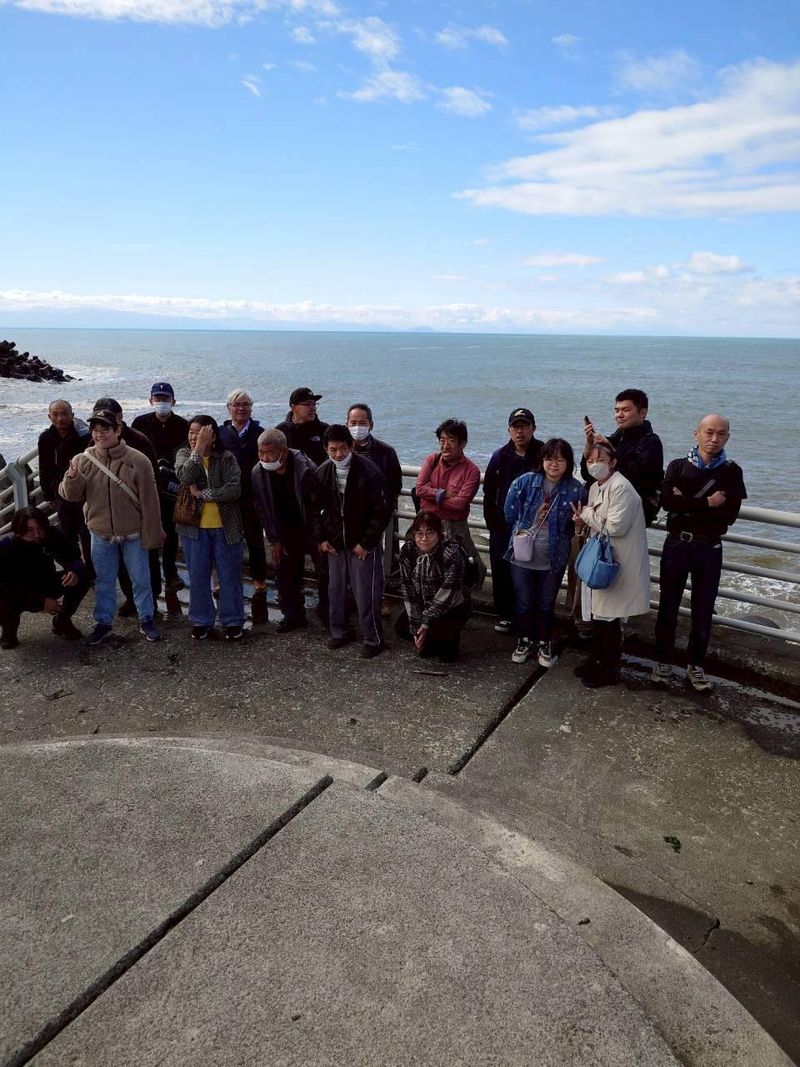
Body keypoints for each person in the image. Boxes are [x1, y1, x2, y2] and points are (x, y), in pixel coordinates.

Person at [652, 414, 747, 693]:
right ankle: (663, 661)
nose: (714, 439)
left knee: (703, 610)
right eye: (708, 432)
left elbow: (728, 516)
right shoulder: (678, 466)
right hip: (677, 544)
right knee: (667, 606)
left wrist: (685, 502)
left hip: (709, 547)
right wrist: (708, 502)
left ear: (728, 436)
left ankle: (695, 664)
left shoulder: (732, 472)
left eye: (721, 433)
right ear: (697, 434)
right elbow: (667, 502)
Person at [59, 410, 164, 645]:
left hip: (134, 532)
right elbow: (70, 496)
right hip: (100, 533)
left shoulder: (138, 460)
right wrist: (72, 477)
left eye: (105, 429)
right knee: (103, 581)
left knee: (141, 579)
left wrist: (153, 534)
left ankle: (147, 618)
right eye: (95, 430)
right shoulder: (83, 460)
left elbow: (150, 501)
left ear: (118, 430)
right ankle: (104, 623)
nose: (99, 434)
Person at [571, 442, 651, 688]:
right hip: (602, 557)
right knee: (599, 614)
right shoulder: (596, 486)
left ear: (613, 462)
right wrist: (582, 520)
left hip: (617, 561)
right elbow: (596, 520)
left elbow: (616, 527)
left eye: (600, 459)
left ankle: (609, 668)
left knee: (610, 617)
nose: (594, 464)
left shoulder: (622, 488)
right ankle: (597, 659)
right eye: (590, 460)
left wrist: (586, 514)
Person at [503, 439, 586, 668]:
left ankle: (543, 642)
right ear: (542, 460)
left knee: (546, 603)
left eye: (560, 459)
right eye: (549, 458)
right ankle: (524, 640)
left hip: (554, 556)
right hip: (522, 554)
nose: (554, 464)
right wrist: (533, 518)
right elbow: (509, 515)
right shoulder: (524, 482)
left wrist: (578, 525)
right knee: (524, 601)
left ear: (568, 463)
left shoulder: (576, 489)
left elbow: (577, 527)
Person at [312, 424, 390, 658]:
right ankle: (340, 632)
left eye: (343, 449)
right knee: (334, 591)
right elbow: (314, 509)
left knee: (366, 593)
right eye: (333, 449)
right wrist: (321, 539)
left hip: (362, 544)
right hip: (335, 543)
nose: (338, 454)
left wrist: (367, 543)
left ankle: (373, 639)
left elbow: (381, 511)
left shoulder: (369, 470)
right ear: (325, 449)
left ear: (351, 446)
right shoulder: (322, 472)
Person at [175, 415, 246, 641]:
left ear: (213, 436)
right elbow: (185, 476)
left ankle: (233, 620)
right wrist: (198, 450)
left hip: (226, 527)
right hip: (194, 529)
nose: (194, 436)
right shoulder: (184, 454)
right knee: (197, 576)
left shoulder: (226, 457)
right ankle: (201, 620)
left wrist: (204, 494)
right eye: (191, 432)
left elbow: (234, 489)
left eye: (200, 433)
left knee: (229, 576)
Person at [92, 396, 161, 615]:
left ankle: (151, 603)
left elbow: (153, 482)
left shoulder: (138, 441)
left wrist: (154, 522)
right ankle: (130, 599)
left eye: (108, 420)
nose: (101, 430)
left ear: (120, 419)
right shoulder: (93, 444)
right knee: (119, 565)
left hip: (136, 517)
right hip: (106, 518)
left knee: (145, 563)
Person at [251, 428, 319, 633]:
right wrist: (274, 540)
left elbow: (318, 504)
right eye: (261, 452)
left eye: (269, 453)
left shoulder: (306, 468)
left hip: (310, 528)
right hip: (283, 530)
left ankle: (330, 615)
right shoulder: (258, 472)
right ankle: (293, 616)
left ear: (284, 451)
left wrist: (319, 536)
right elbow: (262, 509)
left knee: (325, 574)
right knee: (284, 576)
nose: (264, 458)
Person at [483, 407, 544, 634]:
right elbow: (489, 492)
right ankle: (505, 615)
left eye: (525, 426)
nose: (520, 431)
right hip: (503, 525)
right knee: (501, 570)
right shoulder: (500, 456)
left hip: (534, 525)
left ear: (533, 428)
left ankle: (530, 616)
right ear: (509, 430)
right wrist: (493, 523)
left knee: (532, 570)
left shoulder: (543, 453)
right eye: (515, 427)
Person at [0, 506, 91, 649]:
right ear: (19, 530)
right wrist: (40, 602)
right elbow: (4, 586)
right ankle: (8, 631)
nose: (37, 534)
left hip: (44, 581)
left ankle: (62, 620)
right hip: (17, 590)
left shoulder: (52, 535)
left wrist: (74, 572)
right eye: (30, 530)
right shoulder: (6, 546)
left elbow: (72, 557)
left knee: (84, 575)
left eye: (40, 529)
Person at [131, 382, 189, 593]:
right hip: (147, 484)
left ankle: (171, 573)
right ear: (150, 400)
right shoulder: (140, 422)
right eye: (158, 398)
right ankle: (151, 573)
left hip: (173, 486)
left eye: (165, 399)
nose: (161, 402)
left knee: (171, 531)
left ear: (173, 401)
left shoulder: (183, 425)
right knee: (148, 529)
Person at [414, 418, 486, 590]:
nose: (445, 446)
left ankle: (459, 599)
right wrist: (443, 494)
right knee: (422, 566)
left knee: (472, 569)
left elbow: (460, 504)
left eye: (451, 441)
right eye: (442, 440)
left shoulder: (472, 471)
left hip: (454, 527)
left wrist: (431, 497)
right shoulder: (432, 460)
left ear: (463, 444)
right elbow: (419, 489)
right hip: (427, 523)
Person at [346, 402, 403, 603]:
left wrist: (382, 509)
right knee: (346, 560)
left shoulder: (385, 452)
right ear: (346, 424)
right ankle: (351, 598)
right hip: (346, 516)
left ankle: (375, 600)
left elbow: (395, 485)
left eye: (362, 423)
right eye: (353, 422)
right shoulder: (340, 450)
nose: (357, 427)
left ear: (371, 424)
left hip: (373, 518)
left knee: (372, 559)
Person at [581, 389, 663, 525]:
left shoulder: (651, 443)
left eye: (626, 410)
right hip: (603, 510)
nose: (619, 415)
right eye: (617, 410)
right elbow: (587, 474)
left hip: (629, 514)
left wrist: (612, 452)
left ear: (642, 413)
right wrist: (589, 445)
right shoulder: (613, 440)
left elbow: (642, 481)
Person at [398, 511, 471, 662]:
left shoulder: (451, 553)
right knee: (402, 628)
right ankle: (430, 639)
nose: (424, 538)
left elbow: (448, 593)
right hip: (424, 602)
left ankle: (447, 642)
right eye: (419, 533)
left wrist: (426, 621)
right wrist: (416, 624)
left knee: (447, 654)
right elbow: (408, 589)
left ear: (439, 533)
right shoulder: (408, 550)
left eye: (430, 532)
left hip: (451, 606)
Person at [219, 390, 268, 601]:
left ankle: (259, 580)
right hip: (226, 497)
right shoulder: (220, 433)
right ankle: (226, 579)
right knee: (226, 541)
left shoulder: (260, 433)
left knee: (255, 539)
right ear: (229, 408)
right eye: (237, 404)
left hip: (252, 496)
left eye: (246, 404)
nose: (241, 408)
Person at [37, 400, 92, 570]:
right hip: (60, 492)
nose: (60, 418)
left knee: (87, 532)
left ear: (72, 415)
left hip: (84, 492)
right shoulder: (46, 438)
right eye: (55, 414)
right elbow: (44, 467)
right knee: (67, 533)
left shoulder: (84, 436)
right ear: (49, 417)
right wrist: (48, 493)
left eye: (64, 414)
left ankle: (91, 570)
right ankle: (74, 569)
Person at [276, 387, 330, 467]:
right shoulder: (280, 431)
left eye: (314, 404)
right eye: (308, 404)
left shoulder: (325, 430)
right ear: (293, 407)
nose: (313, 408)